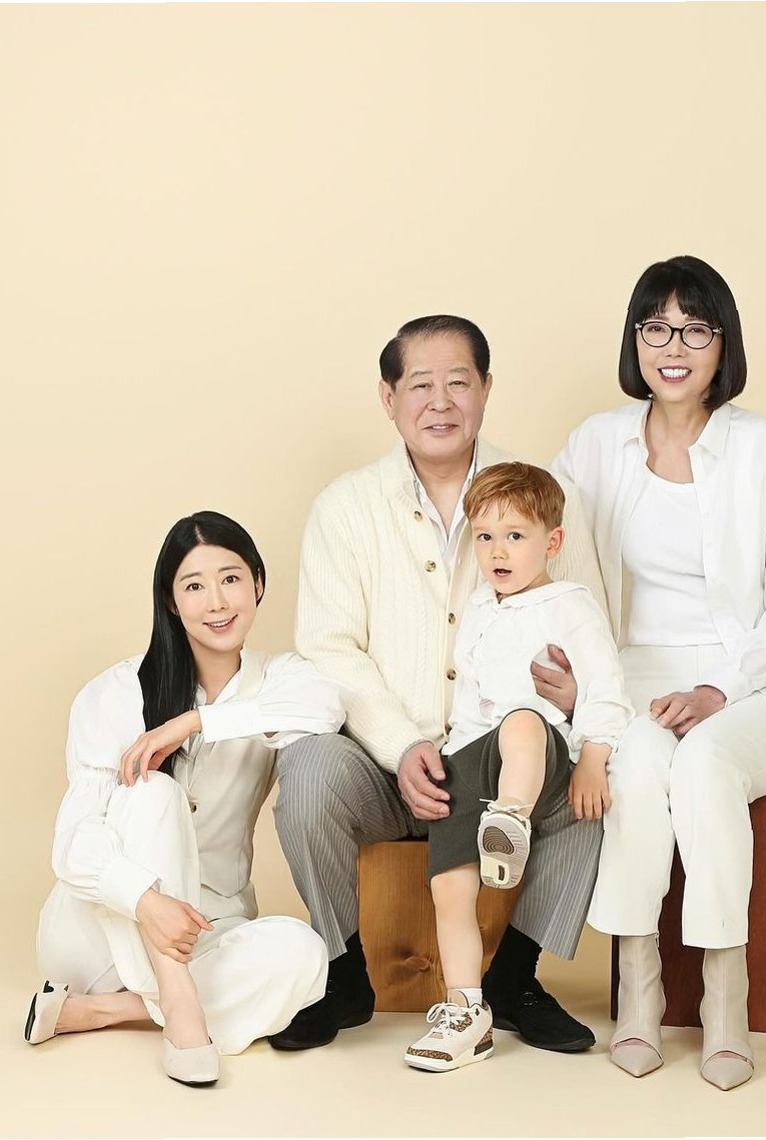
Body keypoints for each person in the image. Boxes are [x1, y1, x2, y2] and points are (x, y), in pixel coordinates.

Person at [270, 315, 610, 1053]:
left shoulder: (545, 496)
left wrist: (566, 702)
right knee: (306, 771)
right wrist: (400, 745)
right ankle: (344, 974)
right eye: (420, 384)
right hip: (381, 763)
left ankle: (515, 978)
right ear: (388, 397)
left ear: (486, 389)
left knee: (593, 777)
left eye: (459, 382)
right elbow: (328, 648)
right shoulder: (345, 506)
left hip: (503, 763)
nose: (440, 401)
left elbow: (587, 627)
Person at [551, 255, 766, 1090]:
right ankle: (638, 990)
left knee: (705, 761)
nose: (671, 348)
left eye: (694, 330)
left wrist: (719, 690)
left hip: (760, 680)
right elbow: (547, 561)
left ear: (722, 344)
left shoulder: (763, 448)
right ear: (633, 339)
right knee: (638, 765)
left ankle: (724, 997)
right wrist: (580, 684)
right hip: (636, 675)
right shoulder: (595, 444)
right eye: (655, 328)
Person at [26, 511, 343, 1086]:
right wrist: (146, 901)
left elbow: (325, 710)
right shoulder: (116, 691)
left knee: (303, 952)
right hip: (99, 933)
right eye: (194, 586)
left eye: (231, 579)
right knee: (154, 793)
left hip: (208, 925)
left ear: (258, 583)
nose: (216, 602)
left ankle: (103, 1012)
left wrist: (195, 722)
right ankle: (179, 1006)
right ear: (172, 603)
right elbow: (73, 843)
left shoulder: (282, 678)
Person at [403, 462, 632, 1072]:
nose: (498, 551)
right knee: (450, 888)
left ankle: (511, 819)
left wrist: (593, 755)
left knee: (523, 719)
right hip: (468, 756)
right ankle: (466, 1012)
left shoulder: (570, 605)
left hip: (537, 754)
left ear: (552, 542)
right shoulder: (478, 606)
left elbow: (607, 687)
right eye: (484, 536)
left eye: (515, 536)